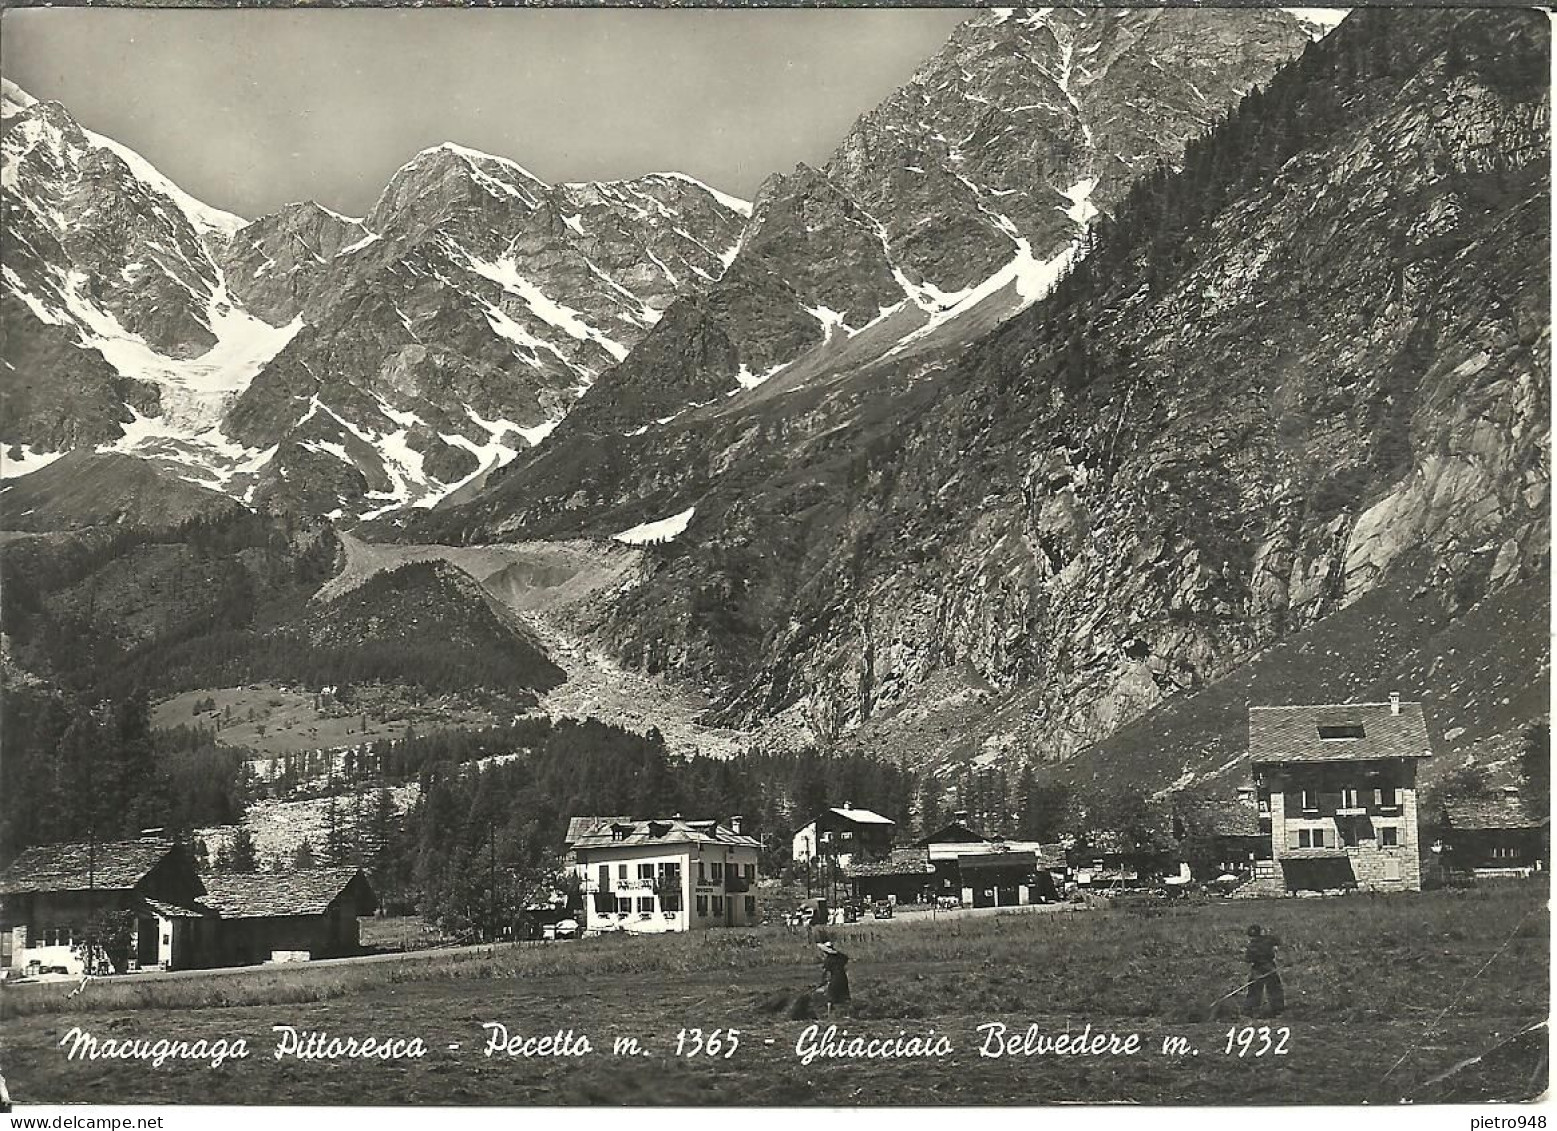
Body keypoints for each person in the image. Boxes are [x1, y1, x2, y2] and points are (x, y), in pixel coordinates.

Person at [1243, 924, 1284, 1016]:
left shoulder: (1252, 946)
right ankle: (1276, 1009)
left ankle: (1251, 1009)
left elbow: (1248, 959)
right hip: (1266, 966)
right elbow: (1279, 941)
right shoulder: (1268, 939)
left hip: (1261, 967)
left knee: (1258, 988)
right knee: (1270, 988)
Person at [816, 940, 851, 1015]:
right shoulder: (840, 958)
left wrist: (822, 982)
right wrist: (836, 952)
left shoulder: (828, 960)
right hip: (843, 978)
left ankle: (829, 1014)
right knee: (844, 995)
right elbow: (846, 957)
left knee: (831, 995)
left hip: (835, 978)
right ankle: (847, 1013)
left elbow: (825, 972)